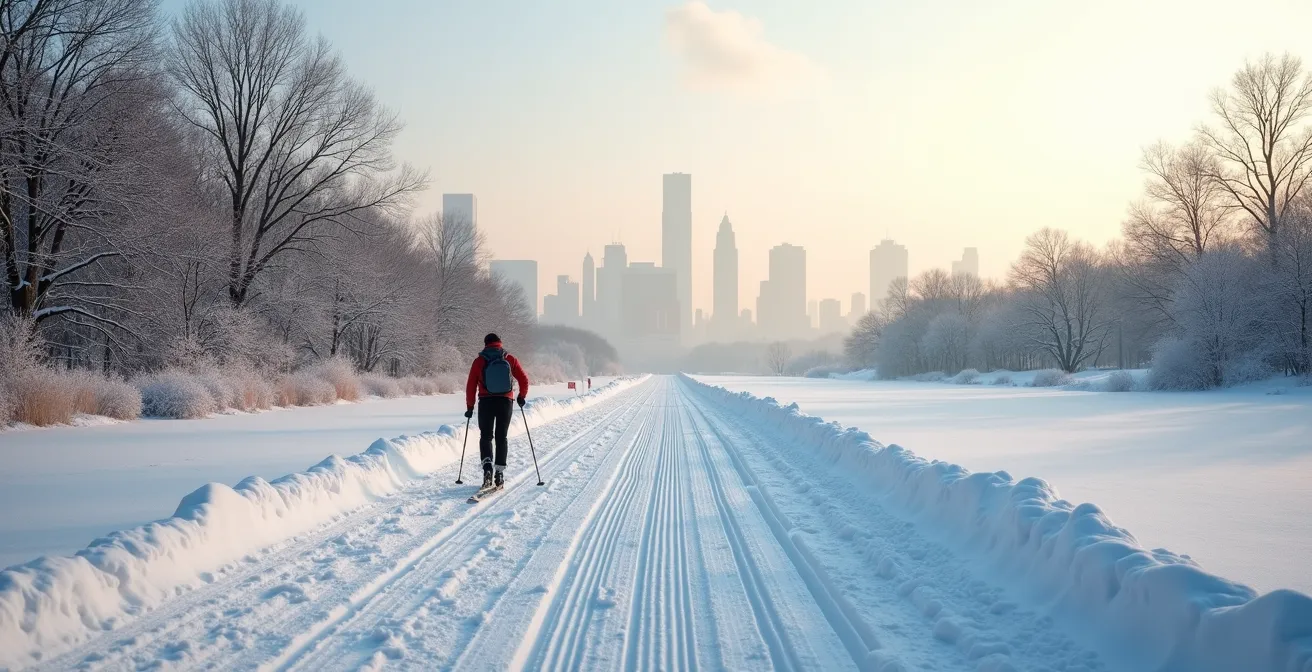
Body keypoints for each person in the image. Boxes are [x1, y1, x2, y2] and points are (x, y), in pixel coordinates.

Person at [465, 333, 530, 489]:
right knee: (501, 437)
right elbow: (524, 380)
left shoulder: (479, 361)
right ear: (500, 343)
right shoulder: (510, 359)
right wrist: (521, 396)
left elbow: (470, 386)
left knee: (486, 436)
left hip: (486, 402)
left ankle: (487, 469)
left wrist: (470, 406)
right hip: (505, 402)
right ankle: (499, 474)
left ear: (485, 344)